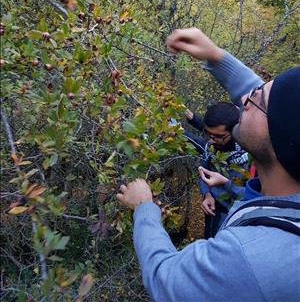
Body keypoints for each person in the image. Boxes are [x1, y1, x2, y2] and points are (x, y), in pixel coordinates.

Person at [117, 28, 300, 302]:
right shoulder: (287, 159)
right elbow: (281, 109)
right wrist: (216, 57)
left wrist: (144, 208)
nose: (244, 100)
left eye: (256, 99)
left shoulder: (250, 259)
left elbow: (165, 278)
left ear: (281, 139)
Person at [184, 102, 250, 238]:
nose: (212, 140)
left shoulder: (251, 158)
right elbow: (204, 170)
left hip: (237, 216)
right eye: (209, 134)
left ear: (235, 131)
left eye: (219, 136)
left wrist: (225, 182)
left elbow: (252, 196)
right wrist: (207, 194)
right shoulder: (212, 146)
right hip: (214, 210)